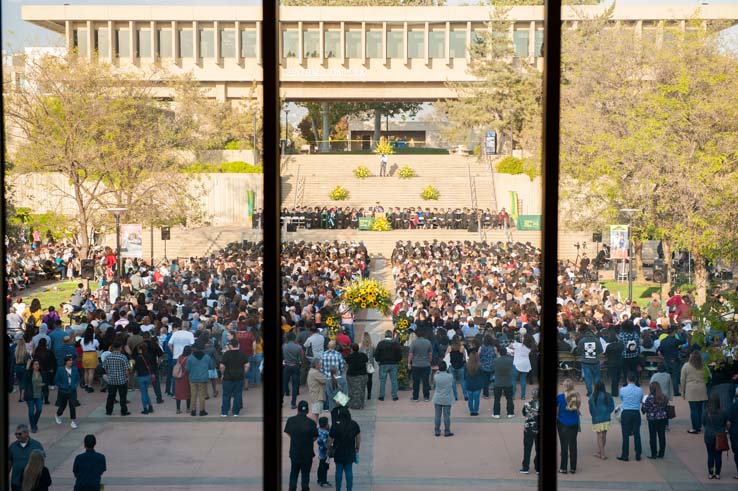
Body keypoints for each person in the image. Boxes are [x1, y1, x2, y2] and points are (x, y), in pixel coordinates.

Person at [284, 400, 318, 491]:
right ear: (307, 411)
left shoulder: (291, 420)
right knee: (305, 474)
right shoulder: (311, 423)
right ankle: (305, 489)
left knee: (294, 472)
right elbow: (315, 437)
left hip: (295, 452)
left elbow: (288, 432)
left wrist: (295, 437)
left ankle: (292, 489)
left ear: (298, 410)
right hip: (307, 453)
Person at [328, 406, 361, 491]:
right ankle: (349, 489)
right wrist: (357, 448)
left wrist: (329, 448)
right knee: (349, 471)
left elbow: (330, 439)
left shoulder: (335, 425)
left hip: (338, 451)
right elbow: (358, 437)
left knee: (338, 471)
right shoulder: (354, 424)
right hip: (350, 451)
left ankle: (338, 489)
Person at [9, 424, 45, 491]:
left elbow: (41, 462)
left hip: (31, 483)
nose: (17, 436)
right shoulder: (13, 446)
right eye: (16, 434)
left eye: (19, 434)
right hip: (16, 482)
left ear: (27, 433)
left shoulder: (37, 445)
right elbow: (9, 462)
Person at [220, 338, 250, 417]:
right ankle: (236, 412)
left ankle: (224, 412)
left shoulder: (226, 354)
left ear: (230, 345)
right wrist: (243, 373)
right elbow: (247, 365)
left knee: (226, 395)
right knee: (238, 395)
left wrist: (223, 374)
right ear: (238, 345)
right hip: (239, 377)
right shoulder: (242, 354)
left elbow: (222, 366)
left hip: (227, 378)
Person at [618, 371, 644, 462]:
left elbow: (621, 398)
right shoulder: (640, 389)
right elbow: (641, 400)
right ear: (635, 379)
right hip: (636, 412)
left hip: (626, 412)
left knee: (625, 434)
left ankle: (625, 454)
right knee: (637, 433)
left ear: (627, 379)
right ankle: (638, 454)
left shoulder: (622, 389)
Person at [681, 350, 708, 434]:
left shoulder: (686, 365)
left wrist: (683, 390)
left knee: (693, 410)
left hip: (691, 388)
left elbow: (682, 379)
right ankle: (699, 425)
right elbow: (709, 375)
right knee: (700, 409)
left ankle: (695, 427)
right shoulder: (704, 366)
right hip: (702, 388)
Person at [557, 379, 581, 474]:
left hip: (562, 422)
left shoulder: (560, 397)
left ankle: (563, 468)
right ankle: (573, 468)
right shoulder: (577, 396)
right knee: (573, 445)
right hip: (574, 422)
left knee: (564, 446)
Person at [703, 392, 729, 480]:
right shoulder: (723, 411)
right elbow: (726, 423)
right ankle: (717, 473)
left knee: (710, 455)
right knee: (718, 456)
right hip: (720, 436)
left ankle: (710, 473)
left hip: (709, 436)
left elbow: (703, 423)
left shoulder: (706, 412)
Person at [642, 381, 669, 459]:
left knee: (653, 436)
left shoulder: (649, 398)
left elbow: (645, 409)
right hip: (662, 418)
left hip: (652, 419)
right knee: (662, 436)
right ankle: (661, 453)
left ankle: (653, 454)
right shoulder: (664, 397)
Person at [589, 380, 615, 460]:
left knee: (599, 436)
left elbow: (591, 409)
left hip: (597, 418)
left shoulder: (592, 396)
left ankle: (601, 453)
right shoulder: (608, 395)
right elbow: (612, 407)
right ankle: (601, 452)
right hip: (606, 418)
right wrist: (607, 413)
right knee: (604, 435)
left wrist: (594, 415)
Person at [185, 341, 212, 416]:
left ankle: (193, 410)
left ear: (193, 349)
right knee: (202, 395)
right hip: (203, 378)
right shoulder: (207, 357)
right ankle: (202, 410)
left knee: (193, 395)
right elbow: (210, 366)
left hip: (193, 378)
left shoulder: (190, 358)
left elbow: (187, 369)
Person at [103, 342, 130, 416]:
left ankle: (108, 411)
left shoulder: (108, 357)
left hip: (111, 380)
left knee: (110, 396)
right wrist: (127, 378)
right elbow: (126, 370)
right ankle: (123, 411)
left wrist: (109, 374)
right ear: (120, 348)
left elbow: (105, 368)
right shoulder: (123, 357)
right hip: (121, 380)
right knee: (123, 397)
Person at [374, 330, 402, 401]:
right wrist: (397, 361)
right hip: (393, 364)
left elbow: (376, 354)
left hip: (383, 364)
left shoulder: (381, 343)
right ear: (391, 335)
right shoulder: (396, 344)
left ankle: (381, 396)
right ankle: (394, 396)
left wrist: (378, 361)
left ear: (385, 335)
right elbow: (400, 355)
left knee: (383, 381)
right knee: (394, 380)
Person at [54, 354, 80, 429]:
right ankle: (58, 414)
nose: (71, 362)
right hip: (63, 391)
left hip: (72, 390)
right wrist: (61, 386)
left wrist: (75, 385)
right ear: (66, 362)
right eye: (69, 360)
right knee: (63, 405)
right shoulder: (60, 370)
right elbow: (56, 380)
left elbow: (78, 378)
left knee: (72, 405)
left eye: (72, 360)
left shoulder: (75, 369)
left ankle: (73, 421)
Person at [577, 325, 603, 397]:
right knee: (596, 377)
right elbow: (601, 351)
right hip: (595, 361)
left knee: (587, 377)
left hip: (585, 362)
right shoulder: (596, 340)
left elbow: (578, 351)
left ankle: (589, 392)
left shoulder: (582, 341)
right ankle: (597, 391)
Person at [520, 388, 540, 474]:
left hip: (528, 429)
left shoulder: (527, 404)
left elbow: (524, 413)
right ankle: (538, 467)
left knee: (527, 449)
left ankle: (525, 467)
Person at [132, 342, 156, 414]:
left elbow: (135, 368)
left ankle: (145, 408)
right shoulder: (149, 356)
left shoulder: (138, 358)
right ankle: (150, 406)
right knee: (146, 392)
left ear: (140, 349)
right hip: (148, 376)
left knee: (143, 393)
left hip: (141, 376)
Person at [408, 330, 432, 402]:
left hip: (416, 365)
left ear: (416, 335)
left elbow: (411, 354)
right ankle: (426, 397)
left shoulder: (414, 343)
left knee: (416, 382)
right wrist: (429, 361)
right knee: (425, 381)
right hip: (426, 364)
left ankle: (415, 397)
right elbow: (430, 354)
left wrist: (409, 363)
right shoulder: (428, 342)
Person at [22, 360, 45, 433]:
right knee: (31, 411)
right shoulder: (28, 374)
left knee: (39, 409)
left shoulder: (41, 373)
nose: (37, 365)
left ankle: (34, 423)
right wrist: (22, 394)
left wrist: (42, 384)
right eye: (35, 364)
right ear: (32, 366)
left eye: (38, 364)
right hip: (30, 395)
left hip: (39, 395)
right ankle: (33, 427)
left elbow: (45, 382)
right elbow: (24, 384)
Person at [492, 347, 514, 418]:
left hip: (498, 382)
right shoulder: (510, 360)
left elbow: (493, 368)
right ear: (506, 352)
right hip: (508, 381)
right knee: (509, 398)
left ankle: (496, 413)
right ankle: (510, 413)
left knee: (497, 399)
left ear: (499, 353)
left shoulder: (496, 360)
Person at [510, 333, 533, 400]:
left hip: (517, 363)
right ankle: (523, 396)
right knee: (523, 380)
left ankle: (513, 395)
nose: (521, 338)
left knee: (513, 379)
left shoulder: (517, 345)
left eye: (522, 337)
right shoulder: (529, 347)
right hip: (526, 364)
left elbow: (509, 346)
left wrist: (514, 342)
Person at [345, 343, 368, 410]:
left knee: (352, 390)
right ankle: (361, 404)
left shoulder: (349, 356)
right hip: (362, 375)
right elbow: (366, 360)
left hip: (352, 375)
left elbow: (347, 362)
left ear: (351, 349)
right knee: (362, 390)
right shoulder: (363, 355)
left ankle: (352, 404)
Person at [445, 335, 468, 402]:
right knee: (462, 381)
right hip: (460, 365)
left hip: (452, 365)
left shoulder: (450, 347)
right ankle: (465, 395)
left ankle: (455, 396)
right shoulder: (462, 347)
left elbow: (446, 356)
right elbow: (465, 357)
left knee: (453, 381)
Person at [80, 326, 99, 393]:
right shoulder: (95, 341)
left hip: (85, 355)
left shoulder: (82, 340)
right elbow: (98, 347)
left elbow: (82, 348)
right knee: (91, 372)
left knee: (86, 371)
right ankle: (90, 386)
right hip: (92, 355)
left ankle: (86, 384)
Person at [464, 351, 484, 416]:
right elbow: (481, 375)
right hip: (477, 383)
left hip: (469, 383)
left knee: (470, 398)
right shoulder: (480, 365)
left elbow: (464, 375)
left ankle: (471, 410)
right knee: (476, 398)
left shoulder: (466, 365)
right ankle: (475, 410)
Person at [307, 358, 327, 423]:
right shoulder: (315, 372)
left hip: (315, 394)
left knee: (316, 413)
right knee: (315, 414)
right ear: (316, 365)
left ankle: (313, 428)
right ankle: (313, 428)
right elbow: (324, 380)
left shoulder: (313, 371)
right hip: (317, 395)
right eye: (320, 364)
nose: (321, 365)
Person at [174, 345, 192, 414]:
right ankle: (188, 408)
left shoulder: (179, 357)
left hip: (179, 377)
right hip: (186, 377)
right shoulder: (189, 358)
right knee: (188, 393)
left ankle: (178, 409)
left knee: (178, 394)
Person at [316, 416, 332, 488]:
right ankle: (323, 481)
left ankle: (319, 480)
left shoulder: (318, 430)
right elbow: (327, 443)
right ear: (326, 424)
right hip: (324, 452)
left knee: (321, 466)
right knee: (324, 467)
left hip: (320, 451)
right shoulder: (325, 433)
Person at [359, 332, 375, 400]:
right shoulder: (372, 346)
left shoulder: (361, 347)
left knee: (362, 380)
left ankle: (362, 393)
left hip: (363, 365)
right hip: (370, 365)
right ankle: (369, 394)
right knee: (370, 380)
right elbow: (374, 355)